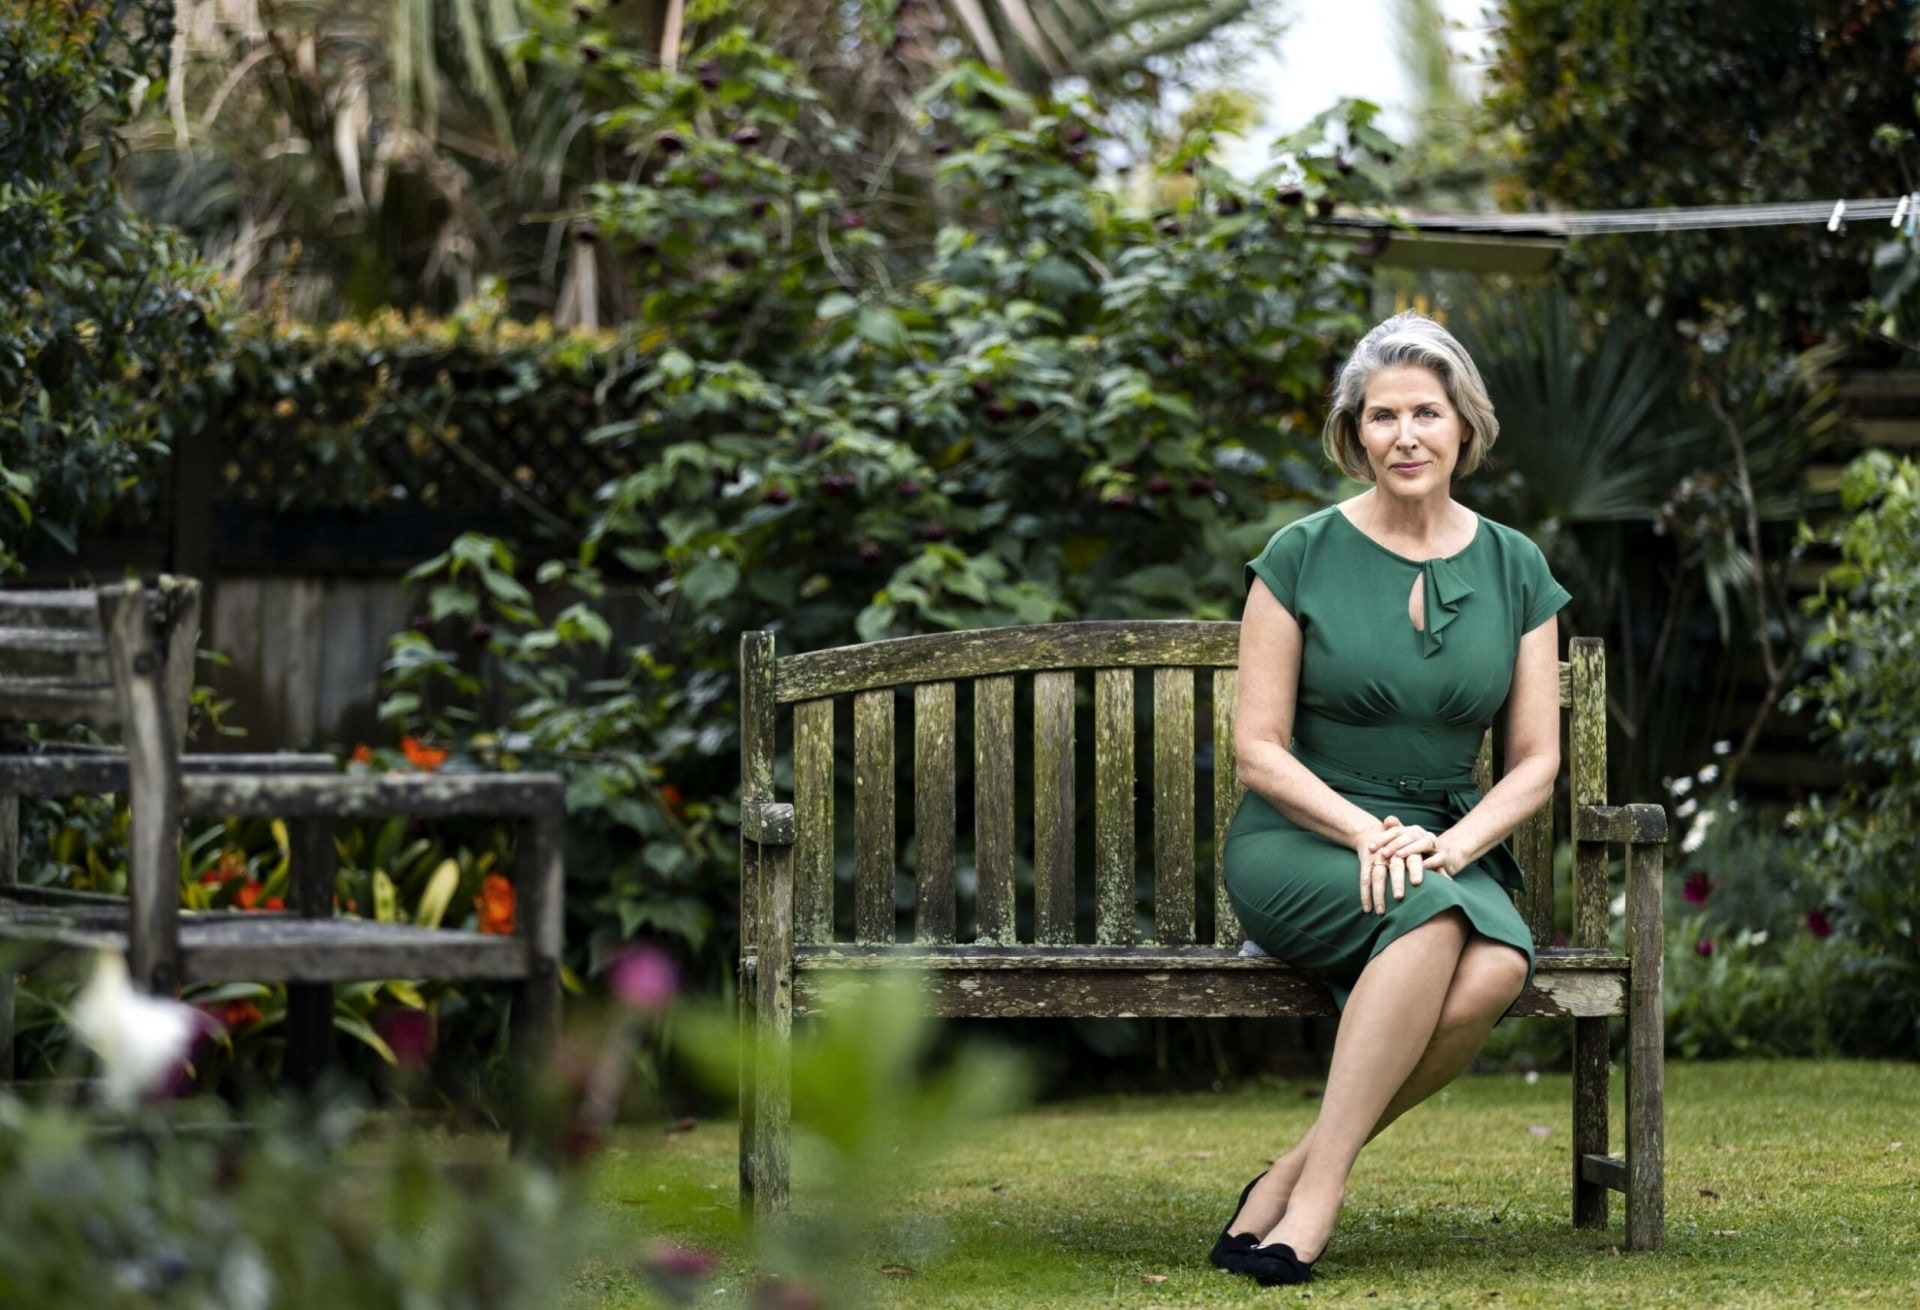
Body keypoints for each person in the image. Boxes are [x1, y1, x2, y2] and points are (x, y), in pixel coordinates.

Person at [1210, 311, 1570, 1286]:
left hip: (1449, 836)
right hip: (1304, 831)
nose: (1404, 434)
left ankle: (1291, 1169)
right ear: (1354, 432)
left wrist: (1451, 846)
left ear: (1464, 425)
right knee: (1433, 921)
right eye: (1381, 415)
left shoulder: (1516, 566)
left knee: (1494, 961)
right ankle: (1316, 1203)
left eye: (1425, 412)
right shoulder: (1299, 554)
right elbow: (1258, 749)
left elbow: (1536, 761)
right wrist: (1373, 831)